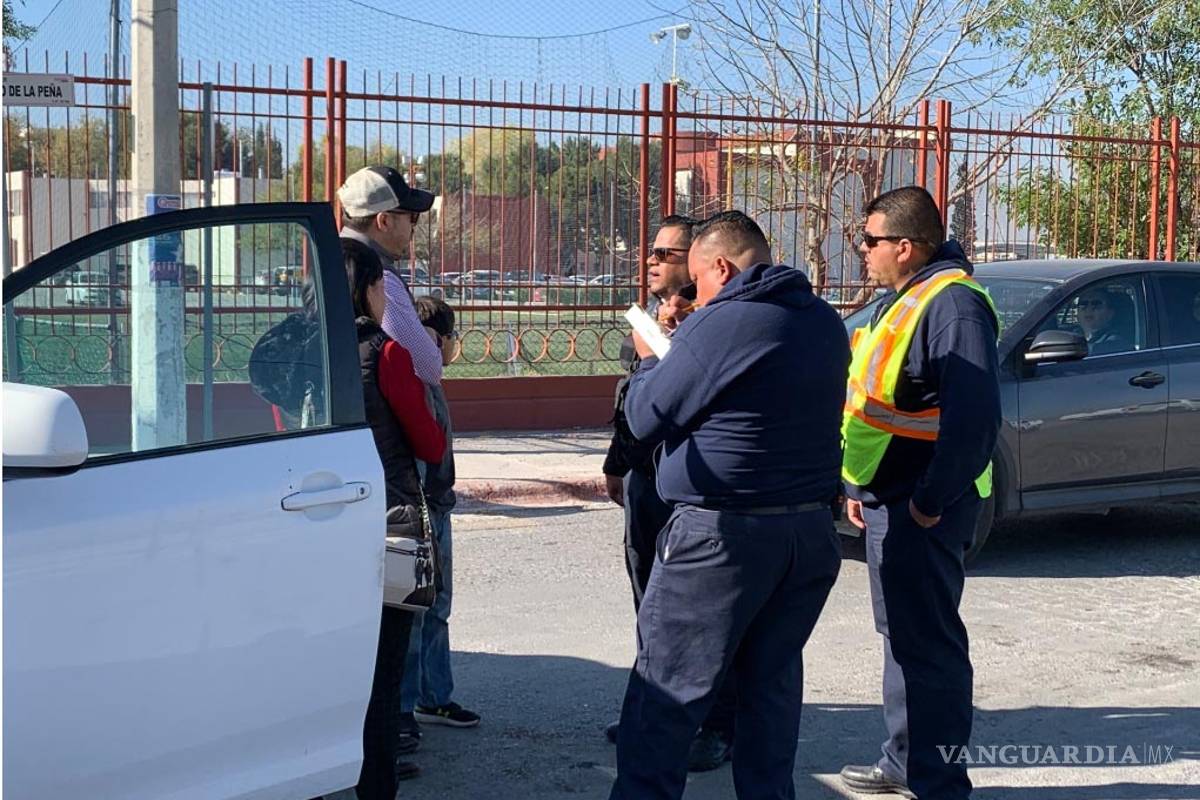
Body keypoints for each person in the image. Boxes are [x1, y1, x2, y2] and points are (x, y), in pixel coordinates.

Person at [609, 211, 849, 800]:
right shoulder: (822, 319)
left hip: (722, 537)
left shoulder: (726, 320)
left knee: (665, 694)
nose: (696, 296)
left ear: (721, 265)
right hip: (807, 535)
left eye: (698, 281)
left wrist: (649, 358)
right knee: (770, 693)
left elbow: (644, 415)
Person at [840, 186, 1001, 800]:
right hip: (888, 495)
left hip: (924, 504)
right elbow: (879, 403)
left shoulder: (953, 305)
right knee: (902, 635)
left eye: (870, 240)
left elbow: (974, 422)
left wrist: (930, 500)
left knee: (928, 643)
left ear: (905, 246)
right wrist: (857, 484)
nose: (863, 249)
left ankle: (939, 783)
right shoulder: (905, 299)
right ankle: (905, 762)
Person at [600, 216, 737, 771]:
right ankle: (653, 710)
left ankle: (716, 724)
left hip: (692, 488)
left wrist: (671, 345)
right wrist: (616, 464)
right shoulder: (652, 317)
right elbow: (630, 399)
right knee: (650, 602)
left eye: (666, 253)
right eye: (651, 251)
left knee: (701, 614)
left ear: (698, 260)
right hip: (645, 479)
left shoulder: (715, 321)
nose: (652, 260)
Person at [343, 236, 446, 796]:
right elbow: (429, 443)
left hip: (315, 522)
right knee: (383, 671)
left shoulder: (301, 353)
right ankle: (376, 783)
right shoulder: (386, 354)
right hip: (389, 522)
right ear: (370, 289)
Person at [398, 296, 482, 732]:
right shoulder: (417, 381)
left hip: (435, 503)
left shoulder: (426, 379)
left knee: (435, 606)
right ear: (436, 340)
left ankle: (433, 696)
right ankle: (406, 706)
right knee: (419, 608)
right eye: (451, 337)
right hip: (423, 508)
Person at [337, 164, 443, 386]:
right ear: (384, 221)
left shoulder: (333, 261)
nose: (413, 228)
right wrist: (433, 337)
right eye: (412, 217)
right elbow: (427, 368)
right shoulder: (379, 278)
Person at [1076, 288, 1128, 355]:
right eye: (1083, 305)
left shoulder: (1115, 342)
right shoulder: (1071, 334)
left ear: (1110, 313)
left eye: (1096, 304)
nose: (1089, 309)